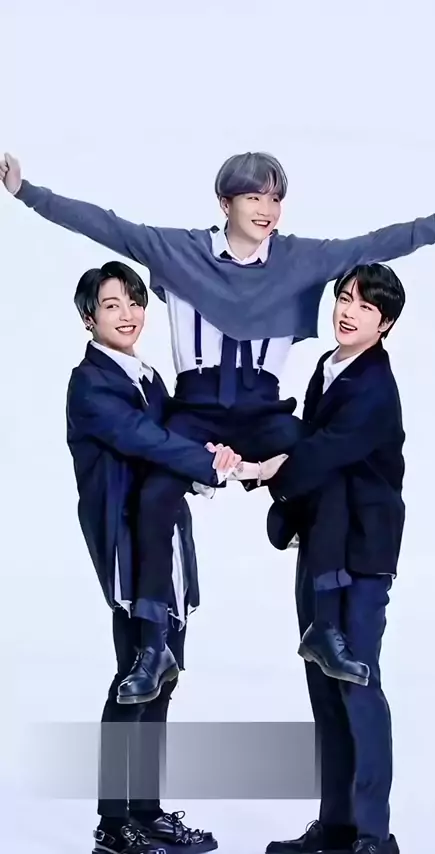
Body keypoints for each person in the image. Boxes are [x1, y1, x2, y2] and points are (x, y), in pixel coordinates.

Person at [2, 151, 435, 701]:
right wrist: (24, 191)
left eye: (275, 198)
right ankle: (153, 649)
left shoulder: (300, 259)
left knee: (321, 472)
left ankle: (324, 628)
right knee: (155, 494)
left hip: (262, 410)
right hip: (195, 408)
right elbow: (103, 225)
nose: (266, 209)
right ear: (224, 202)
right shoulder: (177, 250)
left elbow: (376, 244)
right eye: (254, 196)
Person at [67, 260, 236, 853]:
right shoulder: (91, 383)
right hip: (129, 547)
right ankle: (114, 825)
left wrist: (215, 454)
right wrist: (207, 463)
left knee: (163, 678)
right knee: (134, 677)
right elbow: (147, 441)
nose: (127, 314)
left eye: (135, 302)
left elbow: (176, 441)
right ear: (88, 317)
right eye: (111, 305)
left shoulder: (149, 378)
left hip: (166, 544)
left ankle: (147, 811)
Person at [258, 263, 406, 853]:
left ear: (385, 323)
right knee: (323, 683)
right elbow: (310, 447)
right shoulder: (329, 364)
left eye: (366, 307)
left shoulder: (374, 387)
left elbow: (322, 453)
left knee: (358, 685)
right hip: (321, 546)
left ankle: (373, 836)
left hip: (363, 553)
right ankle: (337, 825)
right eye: (345, 298)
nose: (349, 312)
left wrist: (267, 474)